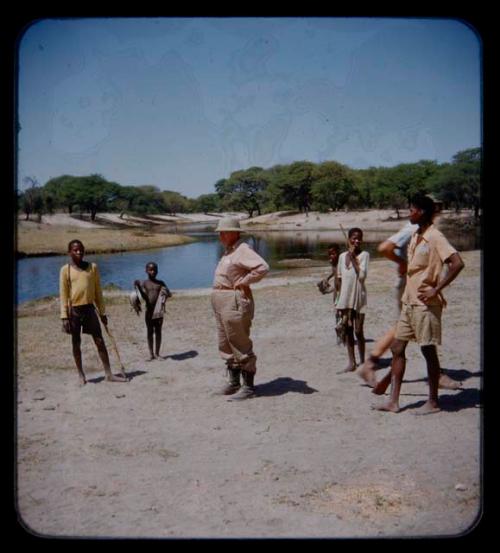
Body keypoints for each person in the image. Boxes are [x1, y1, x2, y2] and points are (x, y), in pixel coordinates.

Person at [373, 194, 464, 414]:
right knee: (397, 347)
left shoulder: (435, 237)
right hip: (409, 302)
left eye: (411, 209)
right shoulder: (416, 235)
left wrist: (436, 289)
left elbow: (457, 263)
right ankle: (393, 402)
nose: (408, 213)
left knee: (428, 350)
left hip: (426, 304)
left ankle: (433, 402)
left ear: (421, 211)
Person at [211, 217, 269, 400]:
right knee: (225, 343)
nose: (221, 235)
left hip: (233, 301)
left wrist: (244, 281)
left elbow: (262, 267)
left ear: (235, 233)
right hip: (221, 300)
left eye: (224, 231)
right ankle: (234, 383)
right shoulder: (229, 251)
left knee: (239, 342)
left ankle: (249, 388)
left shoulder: (243, 249)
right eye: (220, 232)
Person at [59, 239, 128, 385]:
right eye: (75, 250)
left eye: (81, 249)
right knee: (76, 343)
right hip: (74, 311)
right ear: (69, 252)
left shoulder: (93, 267)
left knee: (99, 341)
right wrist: (64, 317)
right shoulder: (66, 270)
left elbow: (98, 292)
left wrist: (102, 313)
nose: (79, 252)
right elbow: (63, 295)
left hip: (90, 309)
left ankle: (109, 374)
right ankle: (81, 375)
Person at [335, 228, 369, 373]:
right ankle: (351, 362)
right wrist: (337, 301)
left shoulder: (365, 255)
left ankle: (362, 362)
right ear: (349, 239)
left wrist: (353, 257)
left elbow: (361, 276)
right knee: (347, 330)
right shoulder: (342, 257)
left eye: (359, 238)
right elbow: (339, 278)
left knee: (358, 330)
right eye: (354, 238)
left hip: (359, 298)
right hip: (345, 298)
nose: (356, 241)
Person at [134, 262, 172, 360]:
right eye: (150, 270)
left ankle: (157, 354)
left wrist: (166, 293)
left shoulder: (161, 283)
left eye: (154, 269)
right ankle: (151, 354)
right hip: (149, 311)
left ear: (157, 271)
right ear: (146, 271)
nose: (153, 271)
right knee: (149, 332)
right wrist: (138, 286)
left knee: (158, 331)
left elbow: (169, 294)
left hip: (159, 311)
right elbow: (144, 297)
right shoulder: (144, 283)